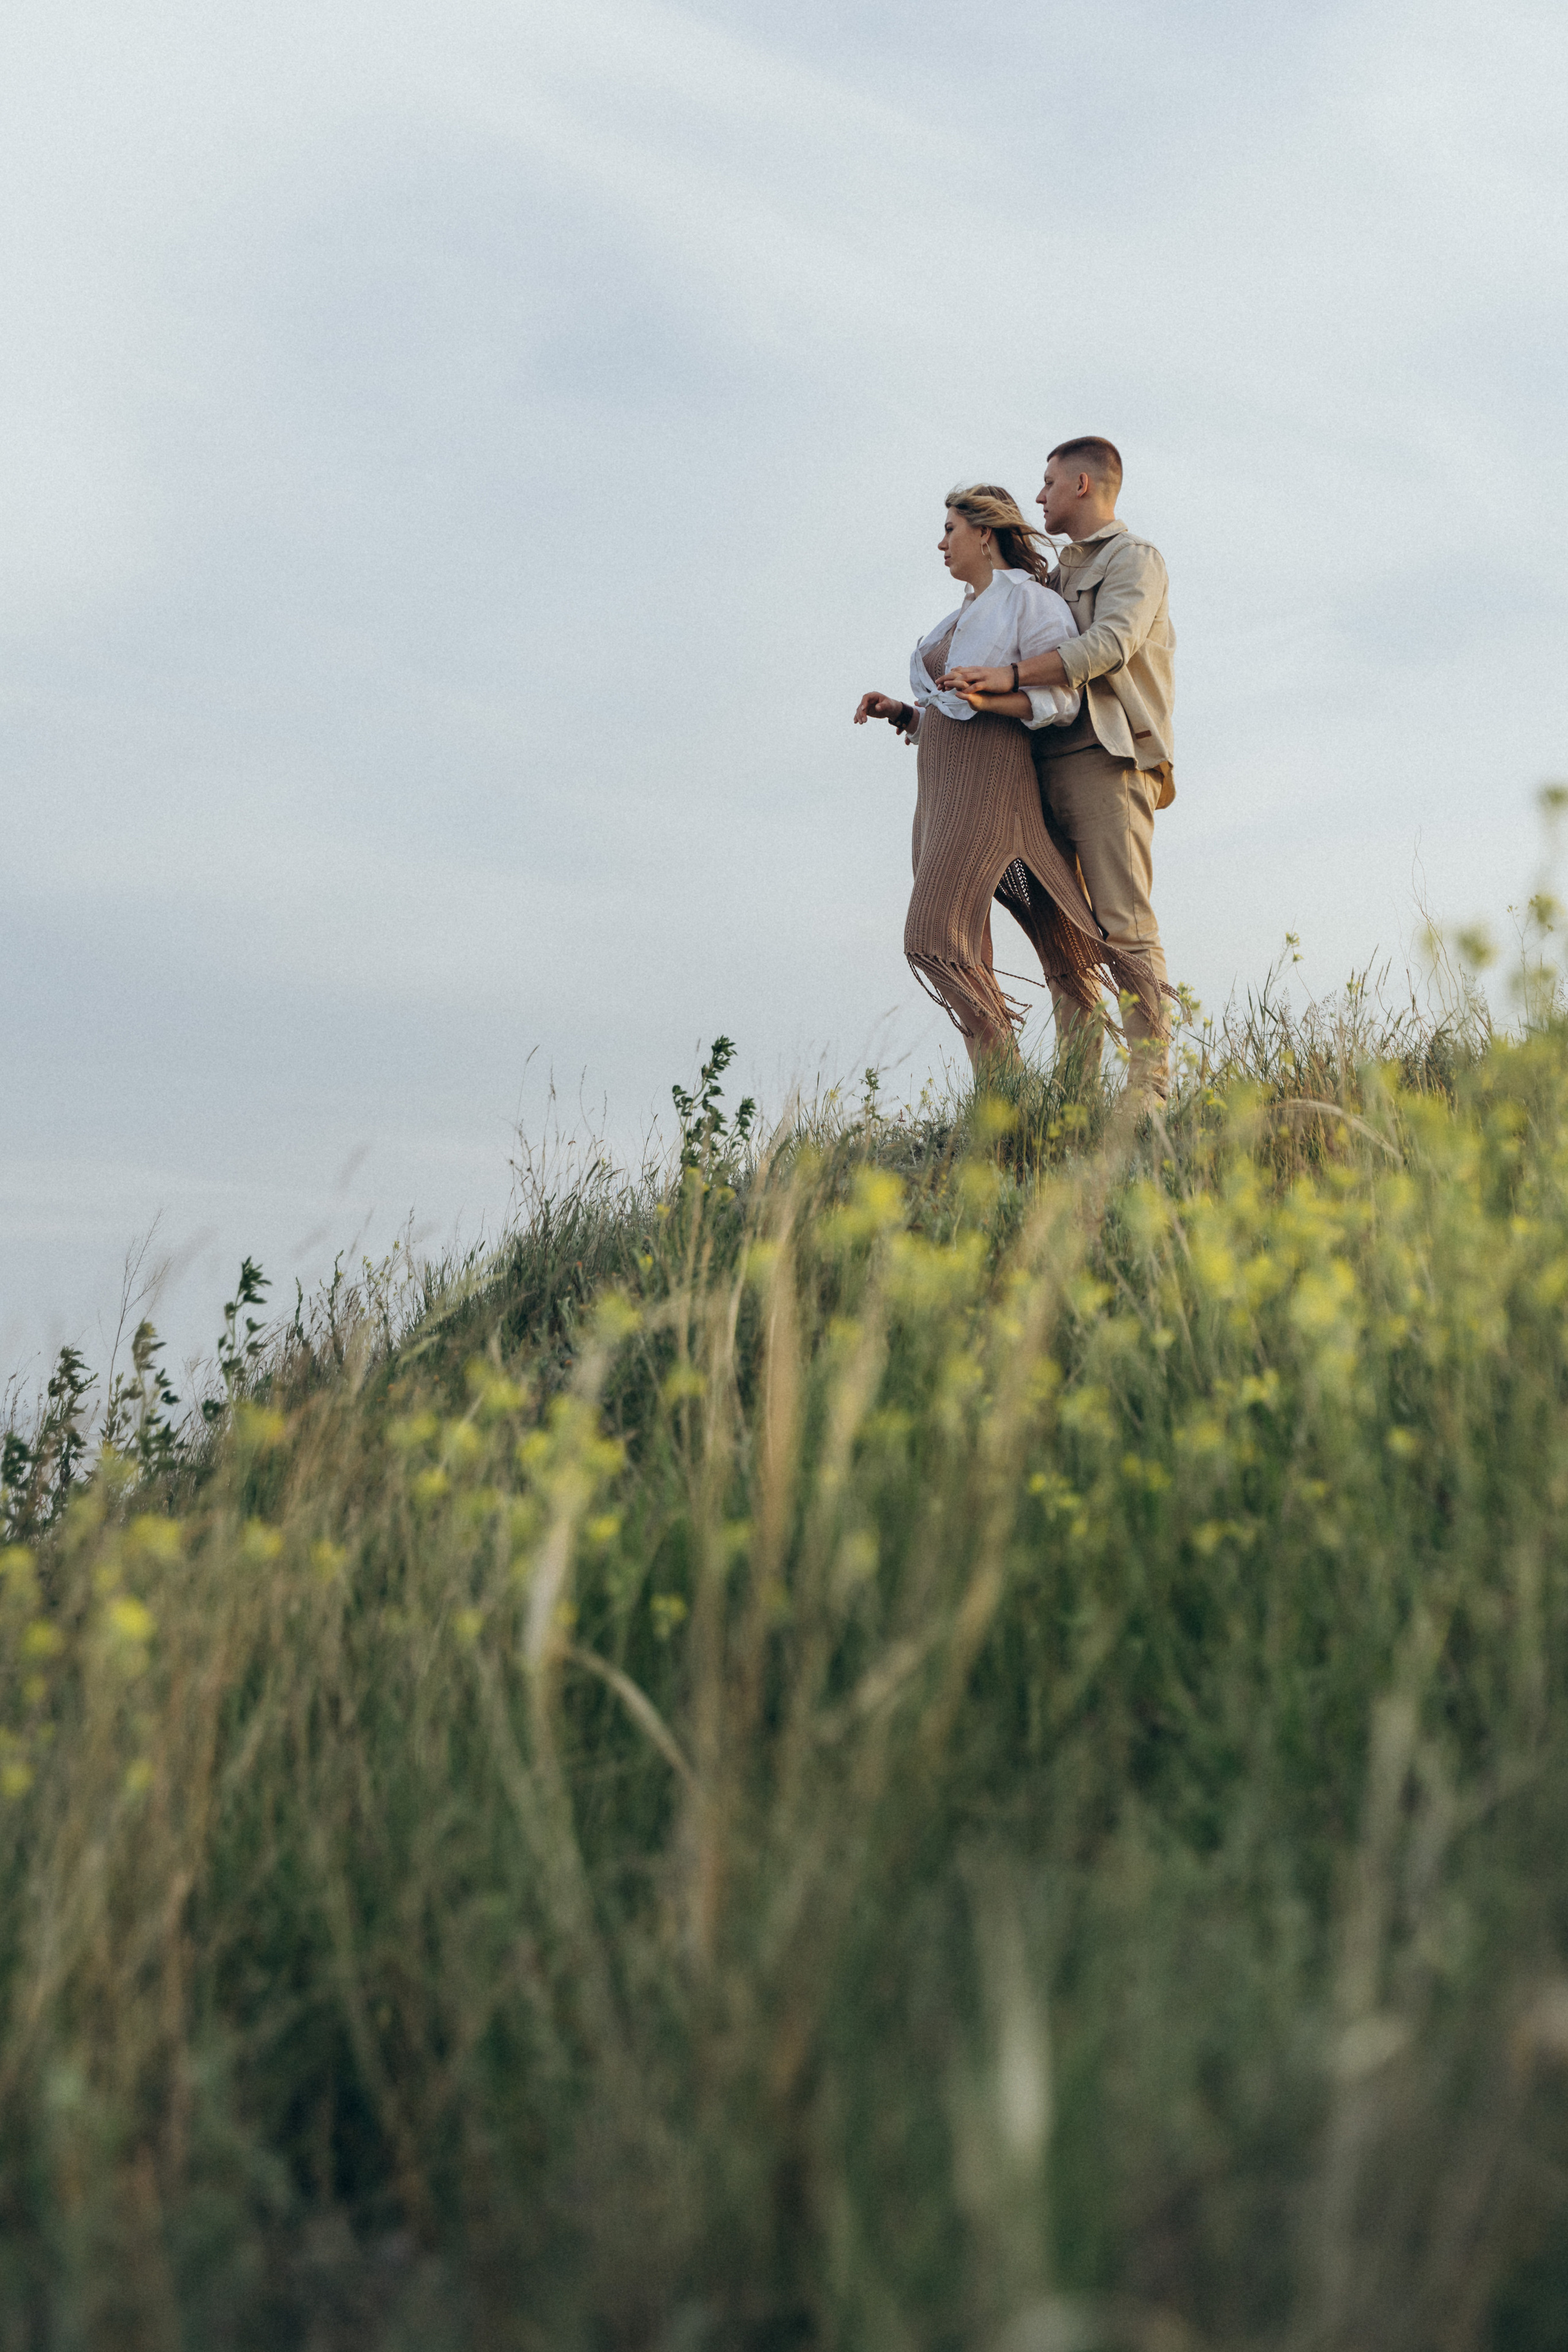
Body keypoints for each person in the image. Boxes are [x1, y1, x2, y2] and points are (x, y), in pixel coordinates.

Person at [853, 484, 1163, 1068]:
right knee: (987, 943)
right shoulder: (960, 614)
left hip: (989, 785)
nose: (941, 542)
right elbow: (953, 710)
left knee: (935, 939)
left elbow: (1061, 701)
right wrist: (903, 713)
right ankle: (1004, 1102)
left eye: (950, 529)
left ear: (984, 533)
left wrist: (997, 697)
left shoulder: (1032, 603)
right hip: (939, 791)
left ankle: (1008, 1065)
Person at [943, 437, 1175, 1099]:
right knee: (1065, 942)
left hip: (1107, 758)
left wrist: (1010, 673)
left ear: (1081, 484)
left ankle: (1149, 1086)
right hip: (1036, 768)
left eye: (1047, 483)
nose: (1037, 495)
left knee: (1122, 925)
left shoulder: (1136, 560)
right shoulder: (1047, 581)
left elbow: (1110, 644)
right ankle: (1078, 1092)